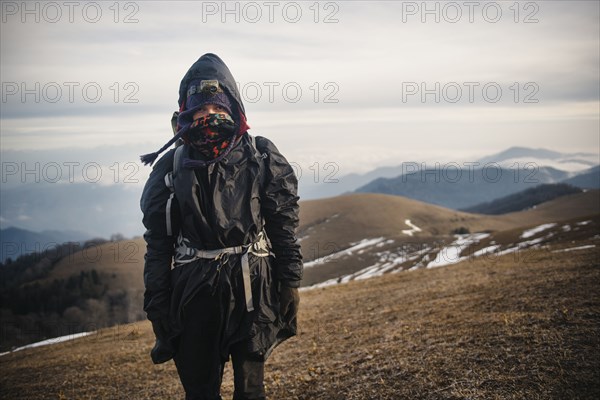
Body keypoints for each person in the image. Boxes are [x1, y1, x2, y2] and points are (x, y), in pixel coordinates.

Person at [139, 53, 303, 400]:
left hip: (252, 289)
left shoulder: (260, 157)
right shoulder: (171, 168)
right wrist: (158, 305)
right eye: (200, 111)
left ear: (233, 109)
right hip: (194, 294)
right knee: (200, 391)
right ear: (185, 113)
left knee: (251, 390)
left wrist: (290, 281)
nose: (209, 118)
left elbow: (283, 226)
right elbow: (158, 244)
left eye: (217, 110)